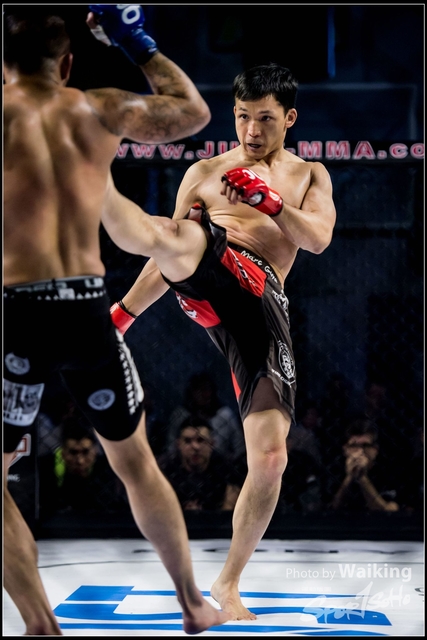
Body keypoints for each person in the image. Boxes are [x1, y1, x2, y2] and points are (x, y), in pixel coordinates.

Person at [3, 6, 230, 635]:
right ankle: (192, 605)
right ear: (67, 64)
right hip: (84, 306)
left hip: (18, 310)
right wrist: (135, 41)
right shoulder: (97, 107)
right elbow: (193, 113)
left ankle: (39, 623)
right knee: (136, 464)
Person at [104, 62, 337, 619]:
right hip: (209, 273)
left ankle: (228, 584)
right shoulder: (206, 172)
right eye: (242, 117)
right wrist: (122, 318)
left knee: (272, 457)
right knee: (178, 235)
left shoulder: (310, 175)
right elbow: (169, 253)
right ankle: (94, 189)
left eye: (265, 119)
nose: (251, 131)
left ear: (289, 118)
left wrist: (271, 204)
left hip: (262, 302)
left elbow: (319, 239)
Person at [38, 412, 129, 519]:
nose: (80, 461)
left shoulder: (107, 468)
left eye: (85, 452)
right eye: (73, 452)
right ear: (63, 452)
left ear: (95, 451)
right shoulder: (46, 467)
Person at [158, 415, 242, 511]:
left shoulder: (226, 467)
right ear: (179, 445)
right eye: (188, 441)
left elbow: (228, 511)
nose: (195, 447)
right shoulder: (166, 467)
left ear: (212, 444)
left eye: (201, 440)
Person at [166, 371, 245, 462]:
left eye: (205, 390)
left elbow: (239, 447)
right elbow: (171, 447)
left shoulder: (225, 414)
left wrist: (230, 460)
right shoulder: (180, 414)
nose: (202, 394)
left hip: (221, 463)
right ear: (191, 392)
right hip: (186, 462)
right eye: (197, 390)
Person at [327, 418, 400, 512]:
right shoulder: (334, 470)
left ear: (375, 450)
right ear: (345, 449)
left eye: (366, 446)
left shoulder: (388, 471)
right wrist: (349, 477)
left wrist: (362, 477)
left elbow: (390, 511)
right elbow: (330, 509)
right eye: (354, 446)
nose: (360, 451)